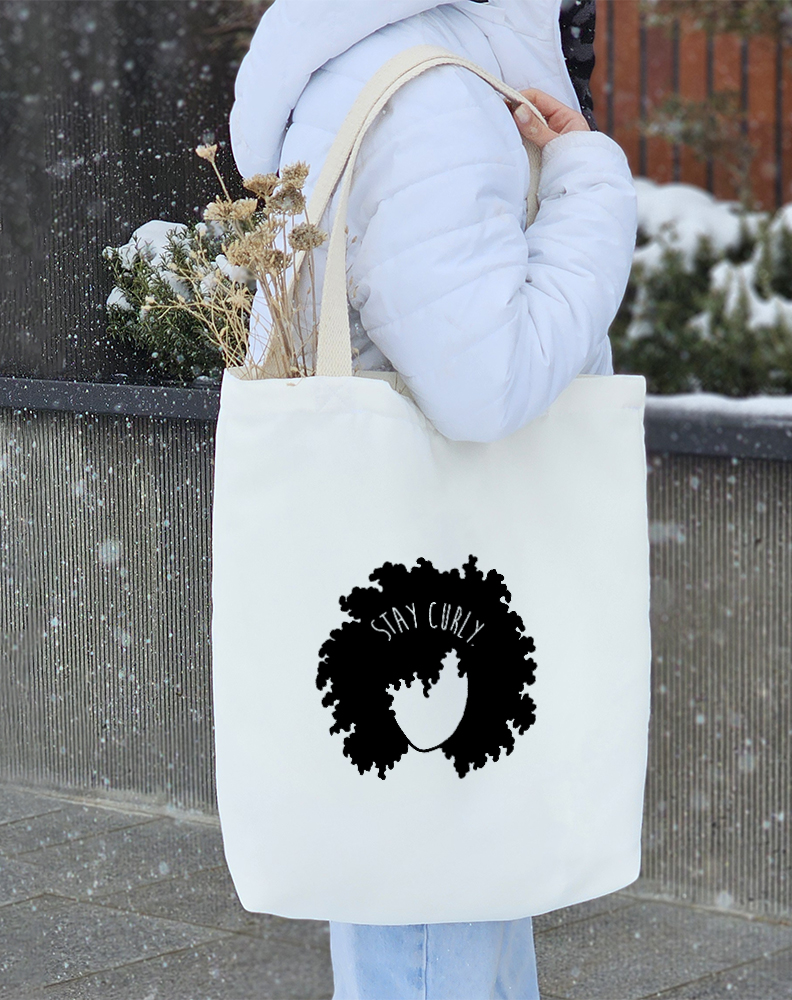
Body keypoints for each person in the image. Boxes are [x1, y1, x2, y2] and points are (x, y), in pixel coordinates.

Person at [230, 1, 637, 996]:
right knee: (435, 910)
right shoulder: (431, 95)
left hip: (415, 579)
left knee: (439, 887)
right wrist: (589, 186)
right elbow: (484, 383)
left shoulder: (381, 59)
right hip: (444, 590)